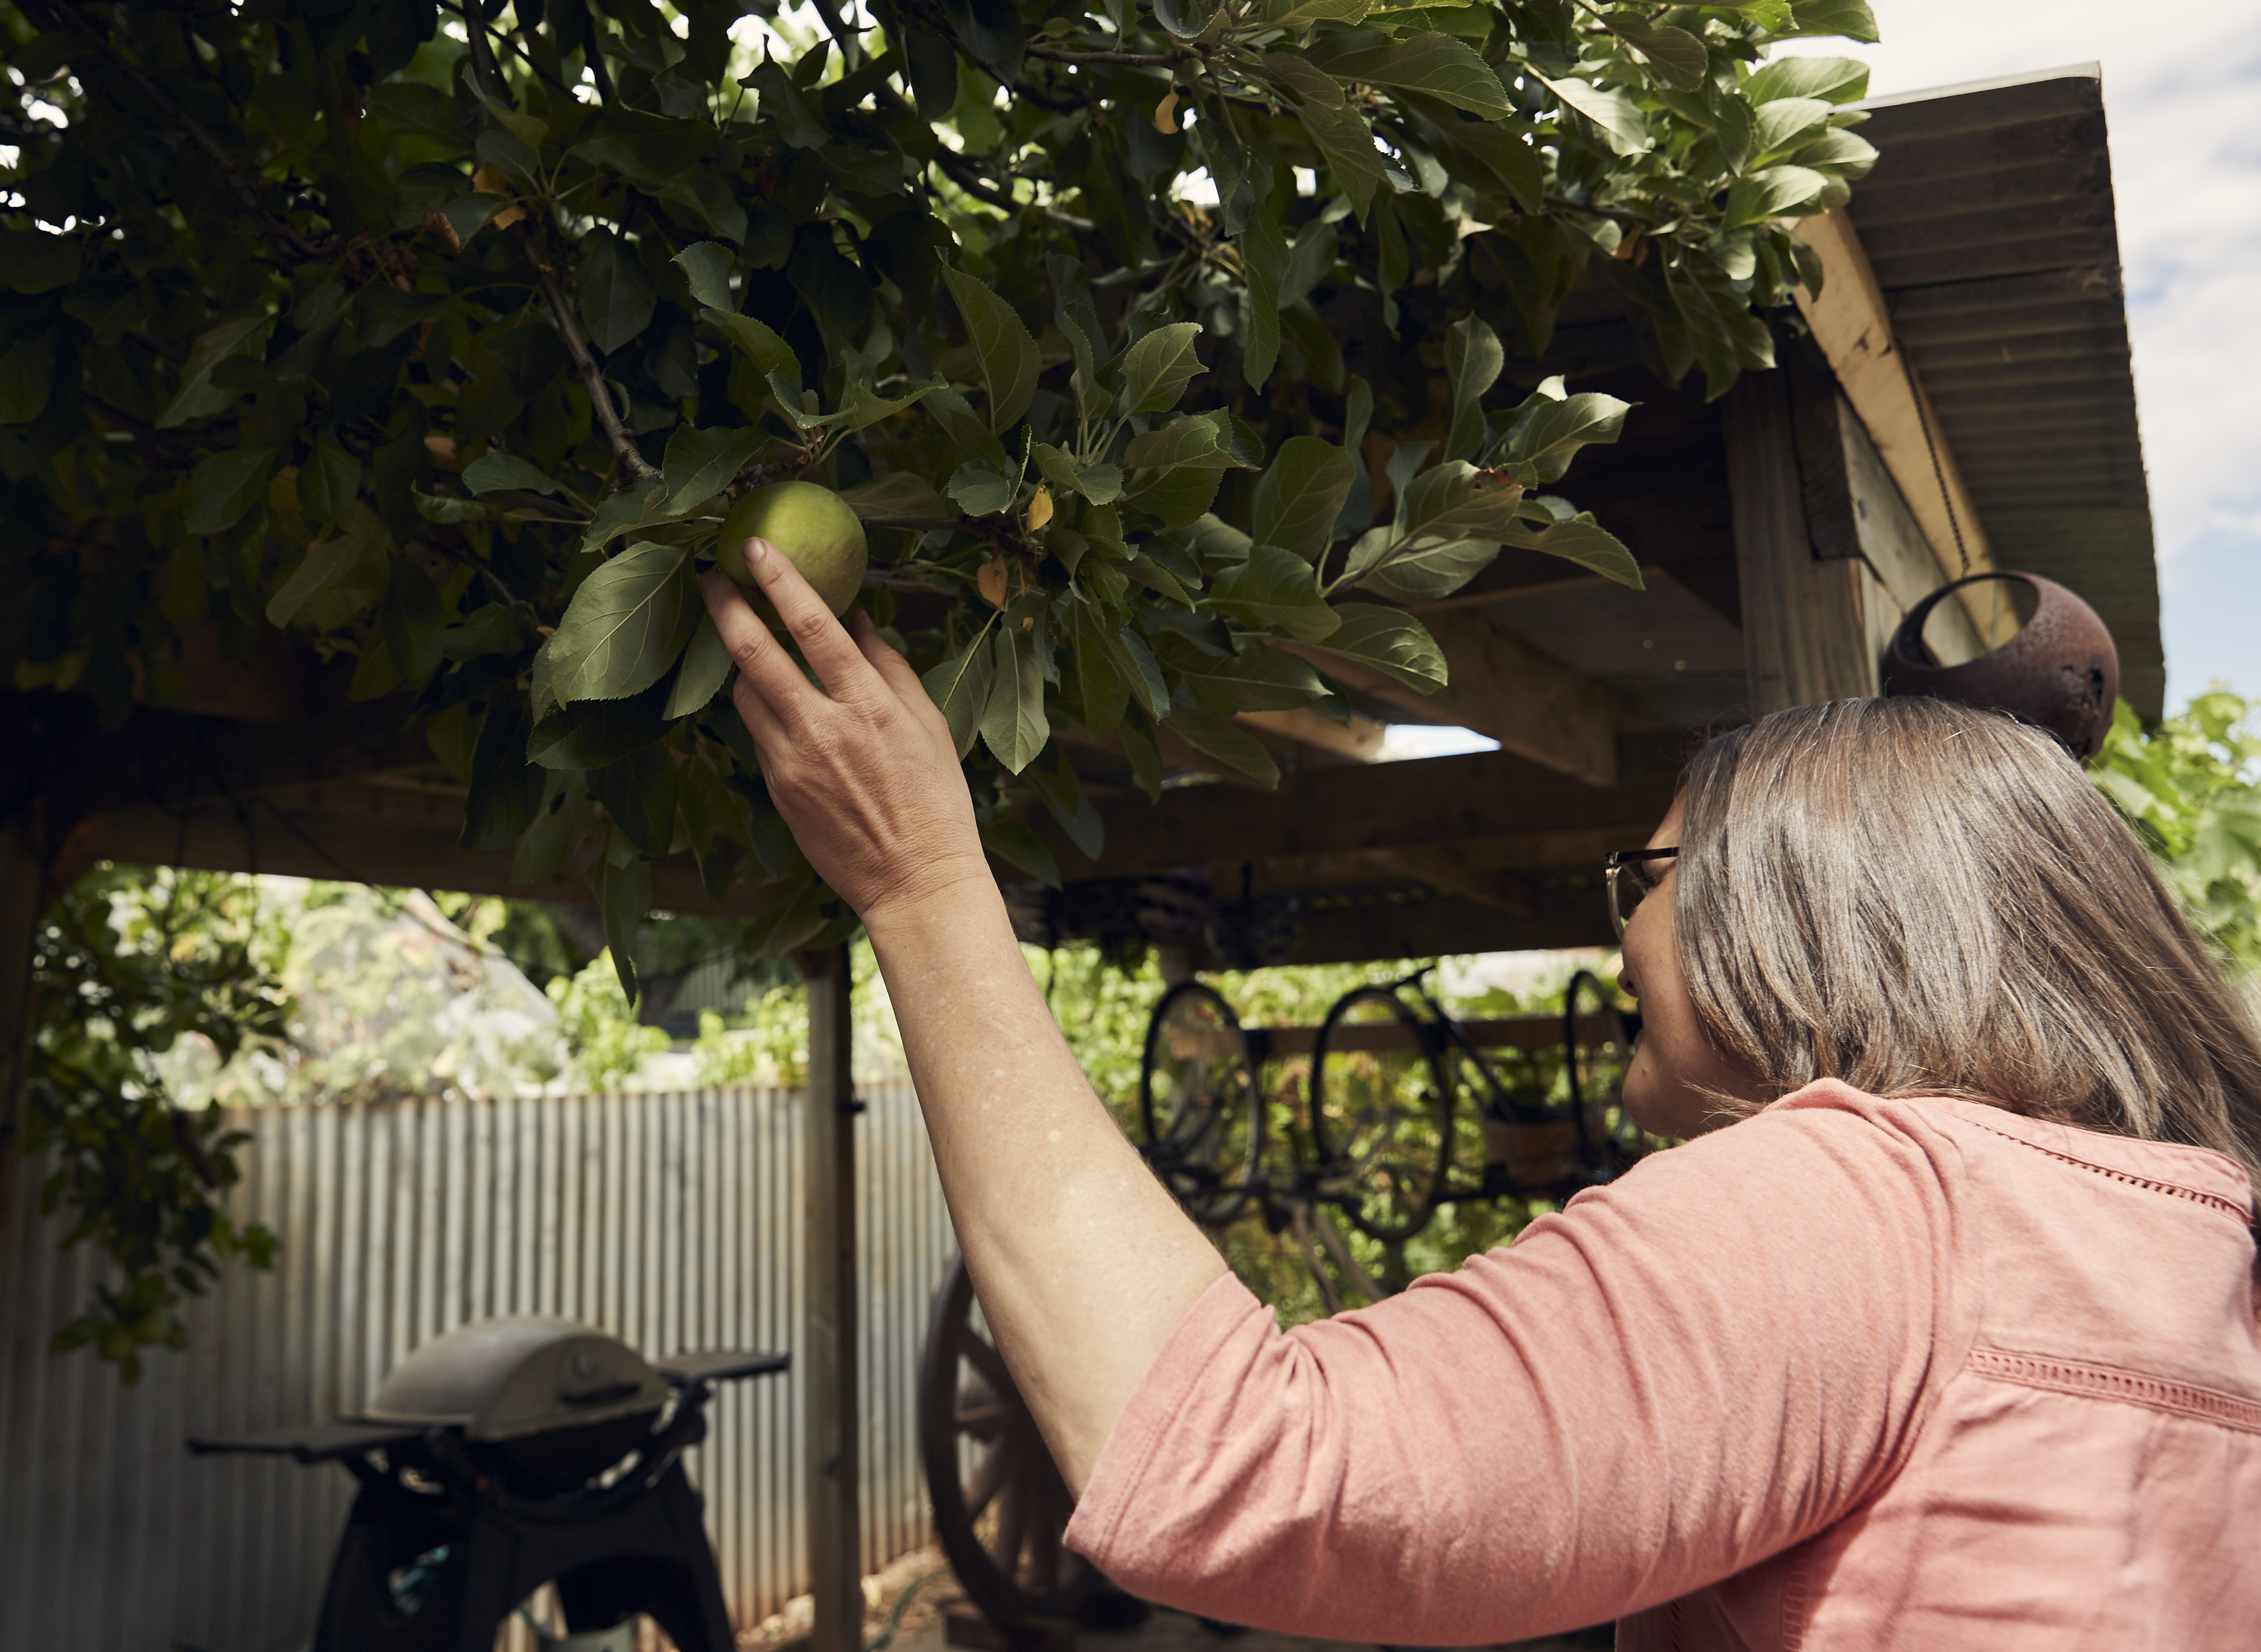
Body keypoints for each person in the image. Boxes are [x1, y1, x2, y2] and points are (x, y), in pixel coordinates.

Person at [700, 538, 2261, 1651]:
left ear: (1799, 906)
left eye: (1642, 875)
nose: (1618, 920)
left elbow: (1240, 1466)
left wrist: (919, 883)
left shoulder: (1874, 1210)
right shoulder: (2188, 1242)